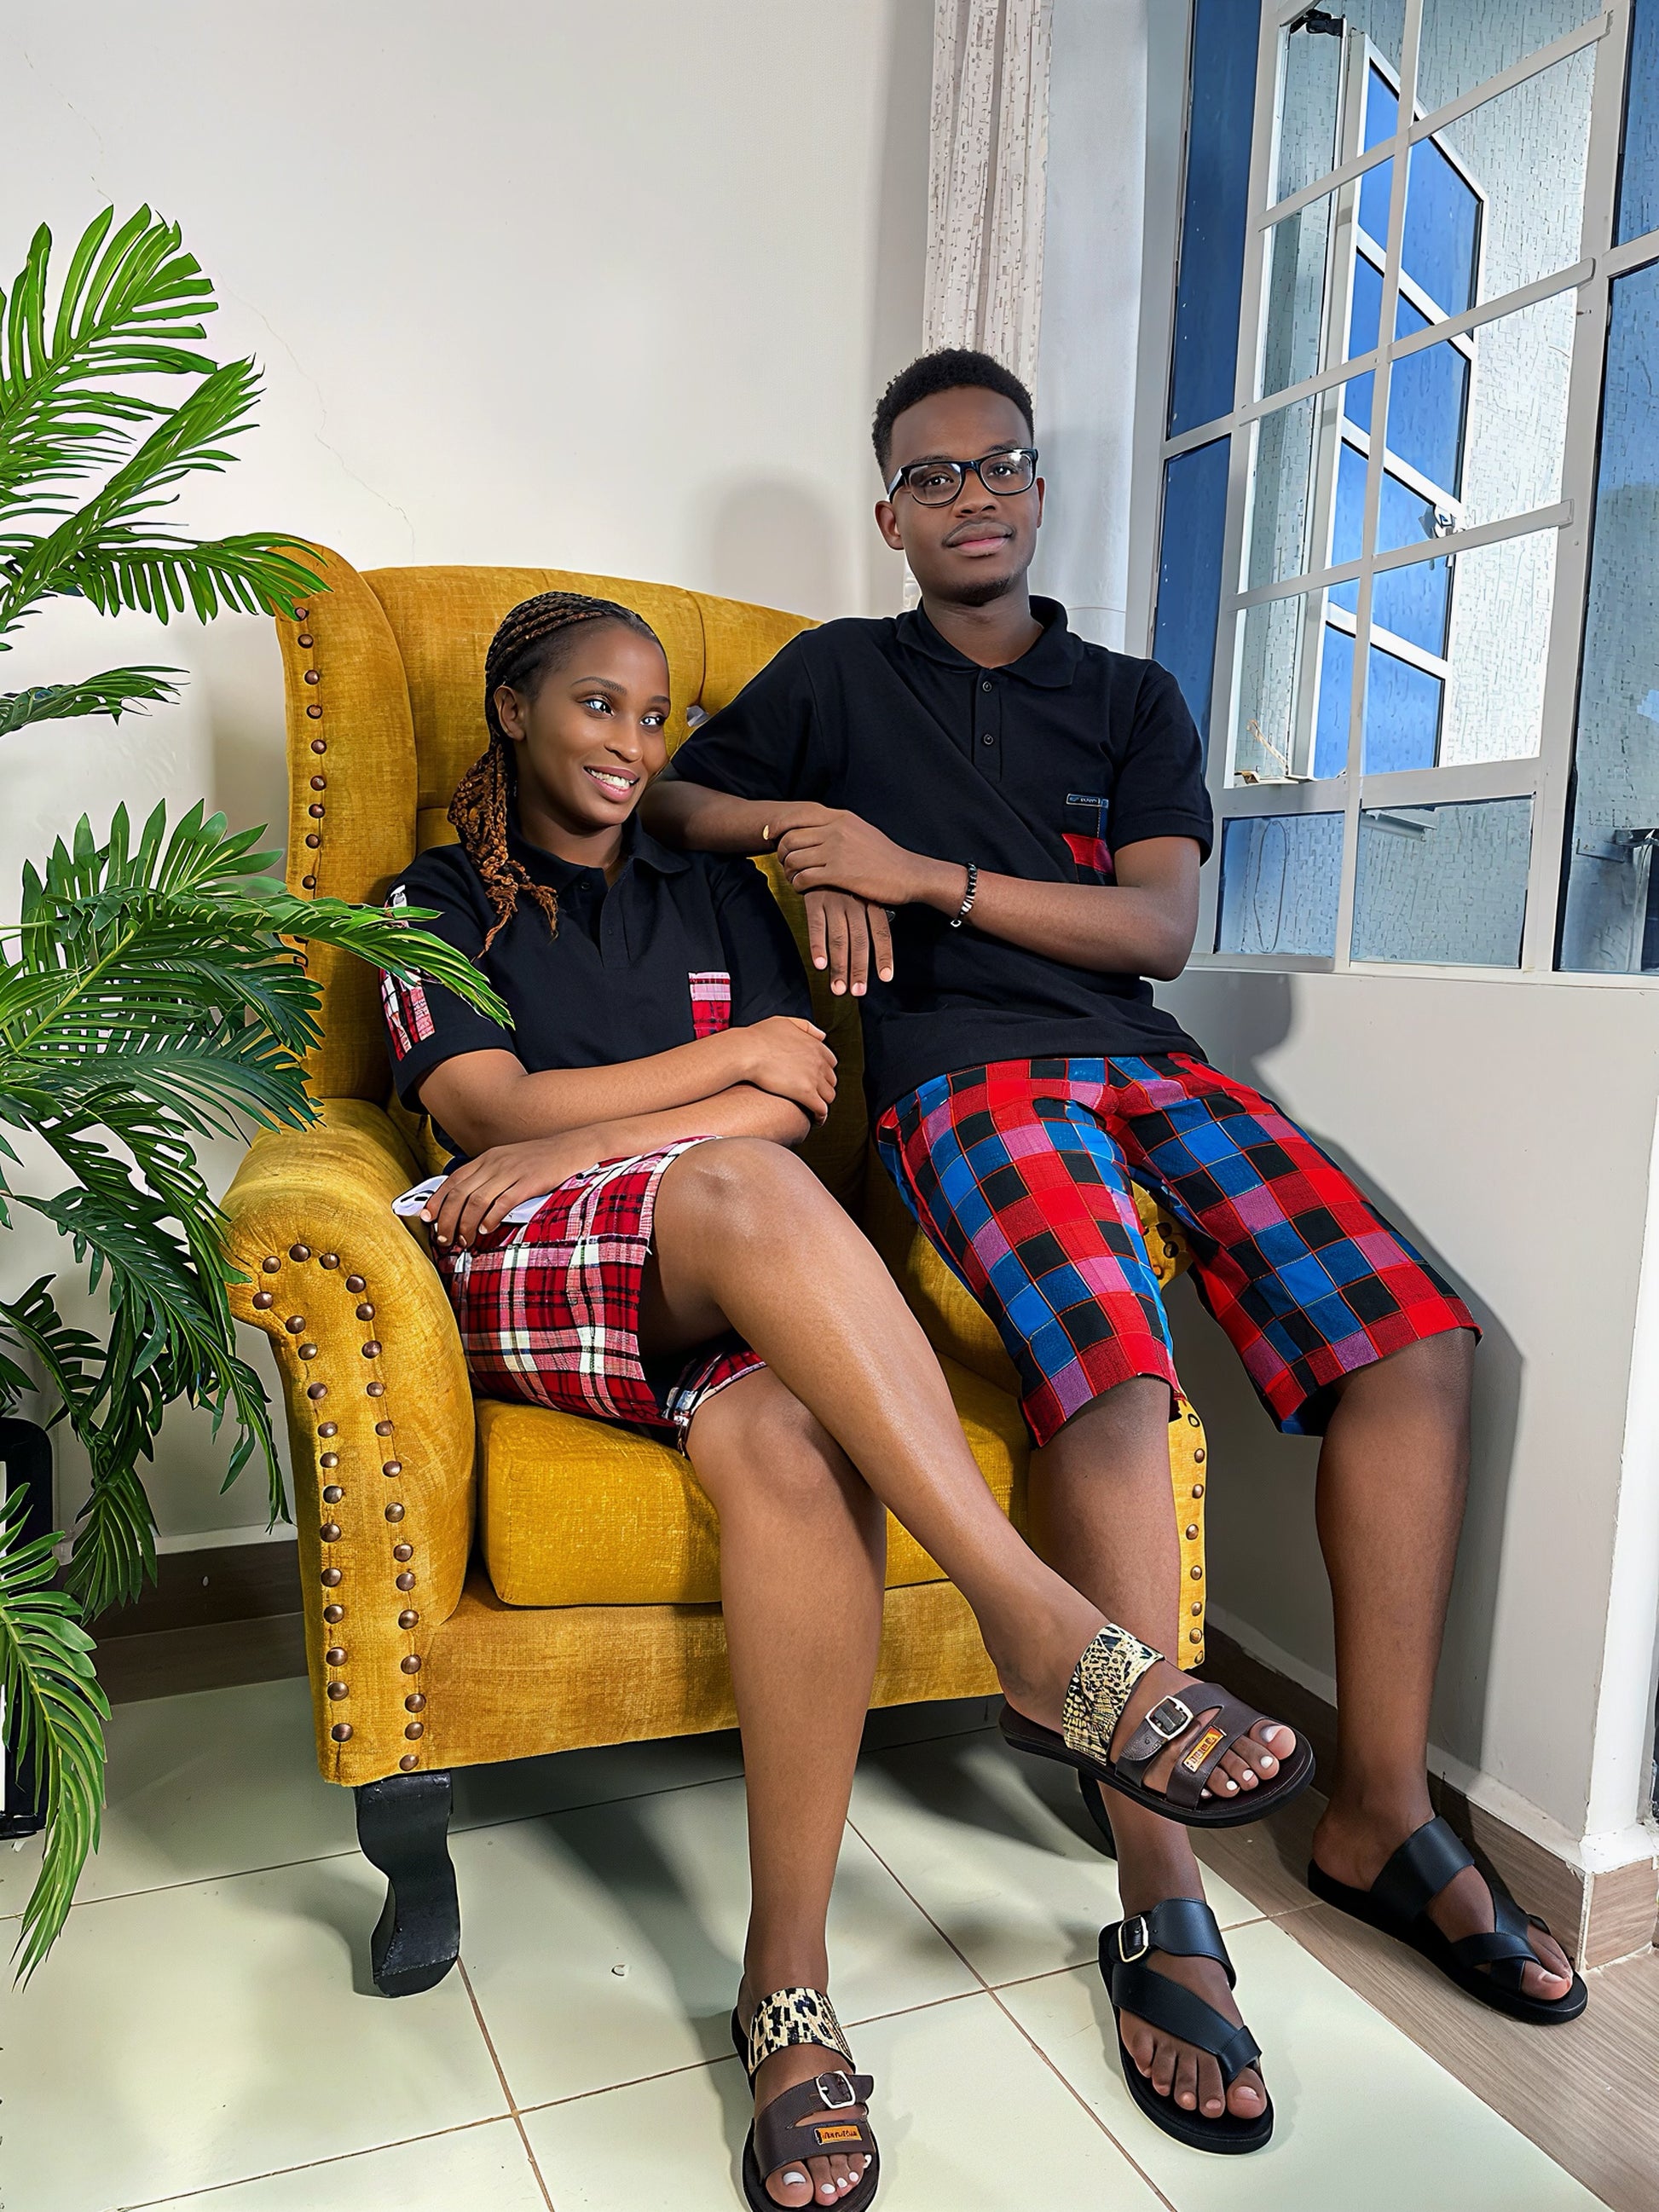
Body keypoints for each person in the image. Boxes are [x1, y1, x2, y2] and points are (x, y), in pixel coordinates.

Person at [644, 349, 1587, 2157]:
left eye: (999, 464)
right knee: (1108, 1358)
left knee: (1412, 1335)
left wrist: (925, 876)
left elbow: (1155, 926)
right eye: (934, 476)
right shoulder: (837, 673)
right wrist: (805, 839)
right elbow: (678, 802)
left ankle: (1380, 1809)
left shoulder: (1130, 695)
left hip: (1146, 1061)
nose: (972, 495)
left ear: (1037, 486)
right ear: (890, 514)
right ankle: (1159, 1888)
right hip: (963, 1080)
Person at [381, 591, 1305, 2209]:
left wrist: (603, 1122)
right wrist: (665, 1102)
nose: (631, 744)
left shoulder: (709, 888)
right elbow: (484, 1108)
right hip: (519, 1257)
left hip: (708, 1270)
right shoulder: (432, 897)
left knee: (800, 1441)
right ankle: (1041, 1628)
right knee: (741, 1184)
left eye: (654, 717)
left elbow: (801, 1091)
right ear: (512, 709)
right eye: (595, 705)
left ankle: (784, 1992)